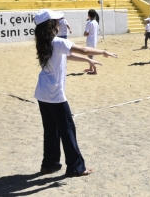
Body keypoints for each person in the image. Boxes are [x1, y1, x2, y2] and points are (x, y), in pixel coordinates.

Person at [33, 9, 117, 177]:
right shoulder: (57, 41)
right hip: (55, 94)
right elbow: (84, 49)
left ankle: (49, 164)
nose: (58, 23)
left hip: (42, 93)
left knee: (51, 130)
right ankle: (76, 167)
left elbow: (67, 56)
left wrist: (87, 60)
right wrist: (103, 52)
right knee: (67, 129)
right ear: (51, 25)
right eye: (56, 21)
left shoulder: (44, 41)